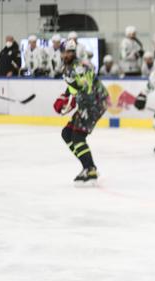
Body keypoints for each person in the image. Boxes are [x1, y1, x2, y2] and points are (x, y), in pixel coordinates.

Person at [53, 40, 108, 184]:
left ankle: (90, 169)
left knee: (77, 137)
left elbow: (86, 89)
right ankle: (87, 166)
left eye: (70, 52)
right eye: (65, 52)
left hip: (94, 103)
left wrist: (70, 103)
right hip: (87, 103)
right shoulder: (68, 68)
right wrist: (65, 97)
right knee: (67, 134)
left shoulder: (80, 67)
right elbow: (74, 87)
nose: (67, 55)